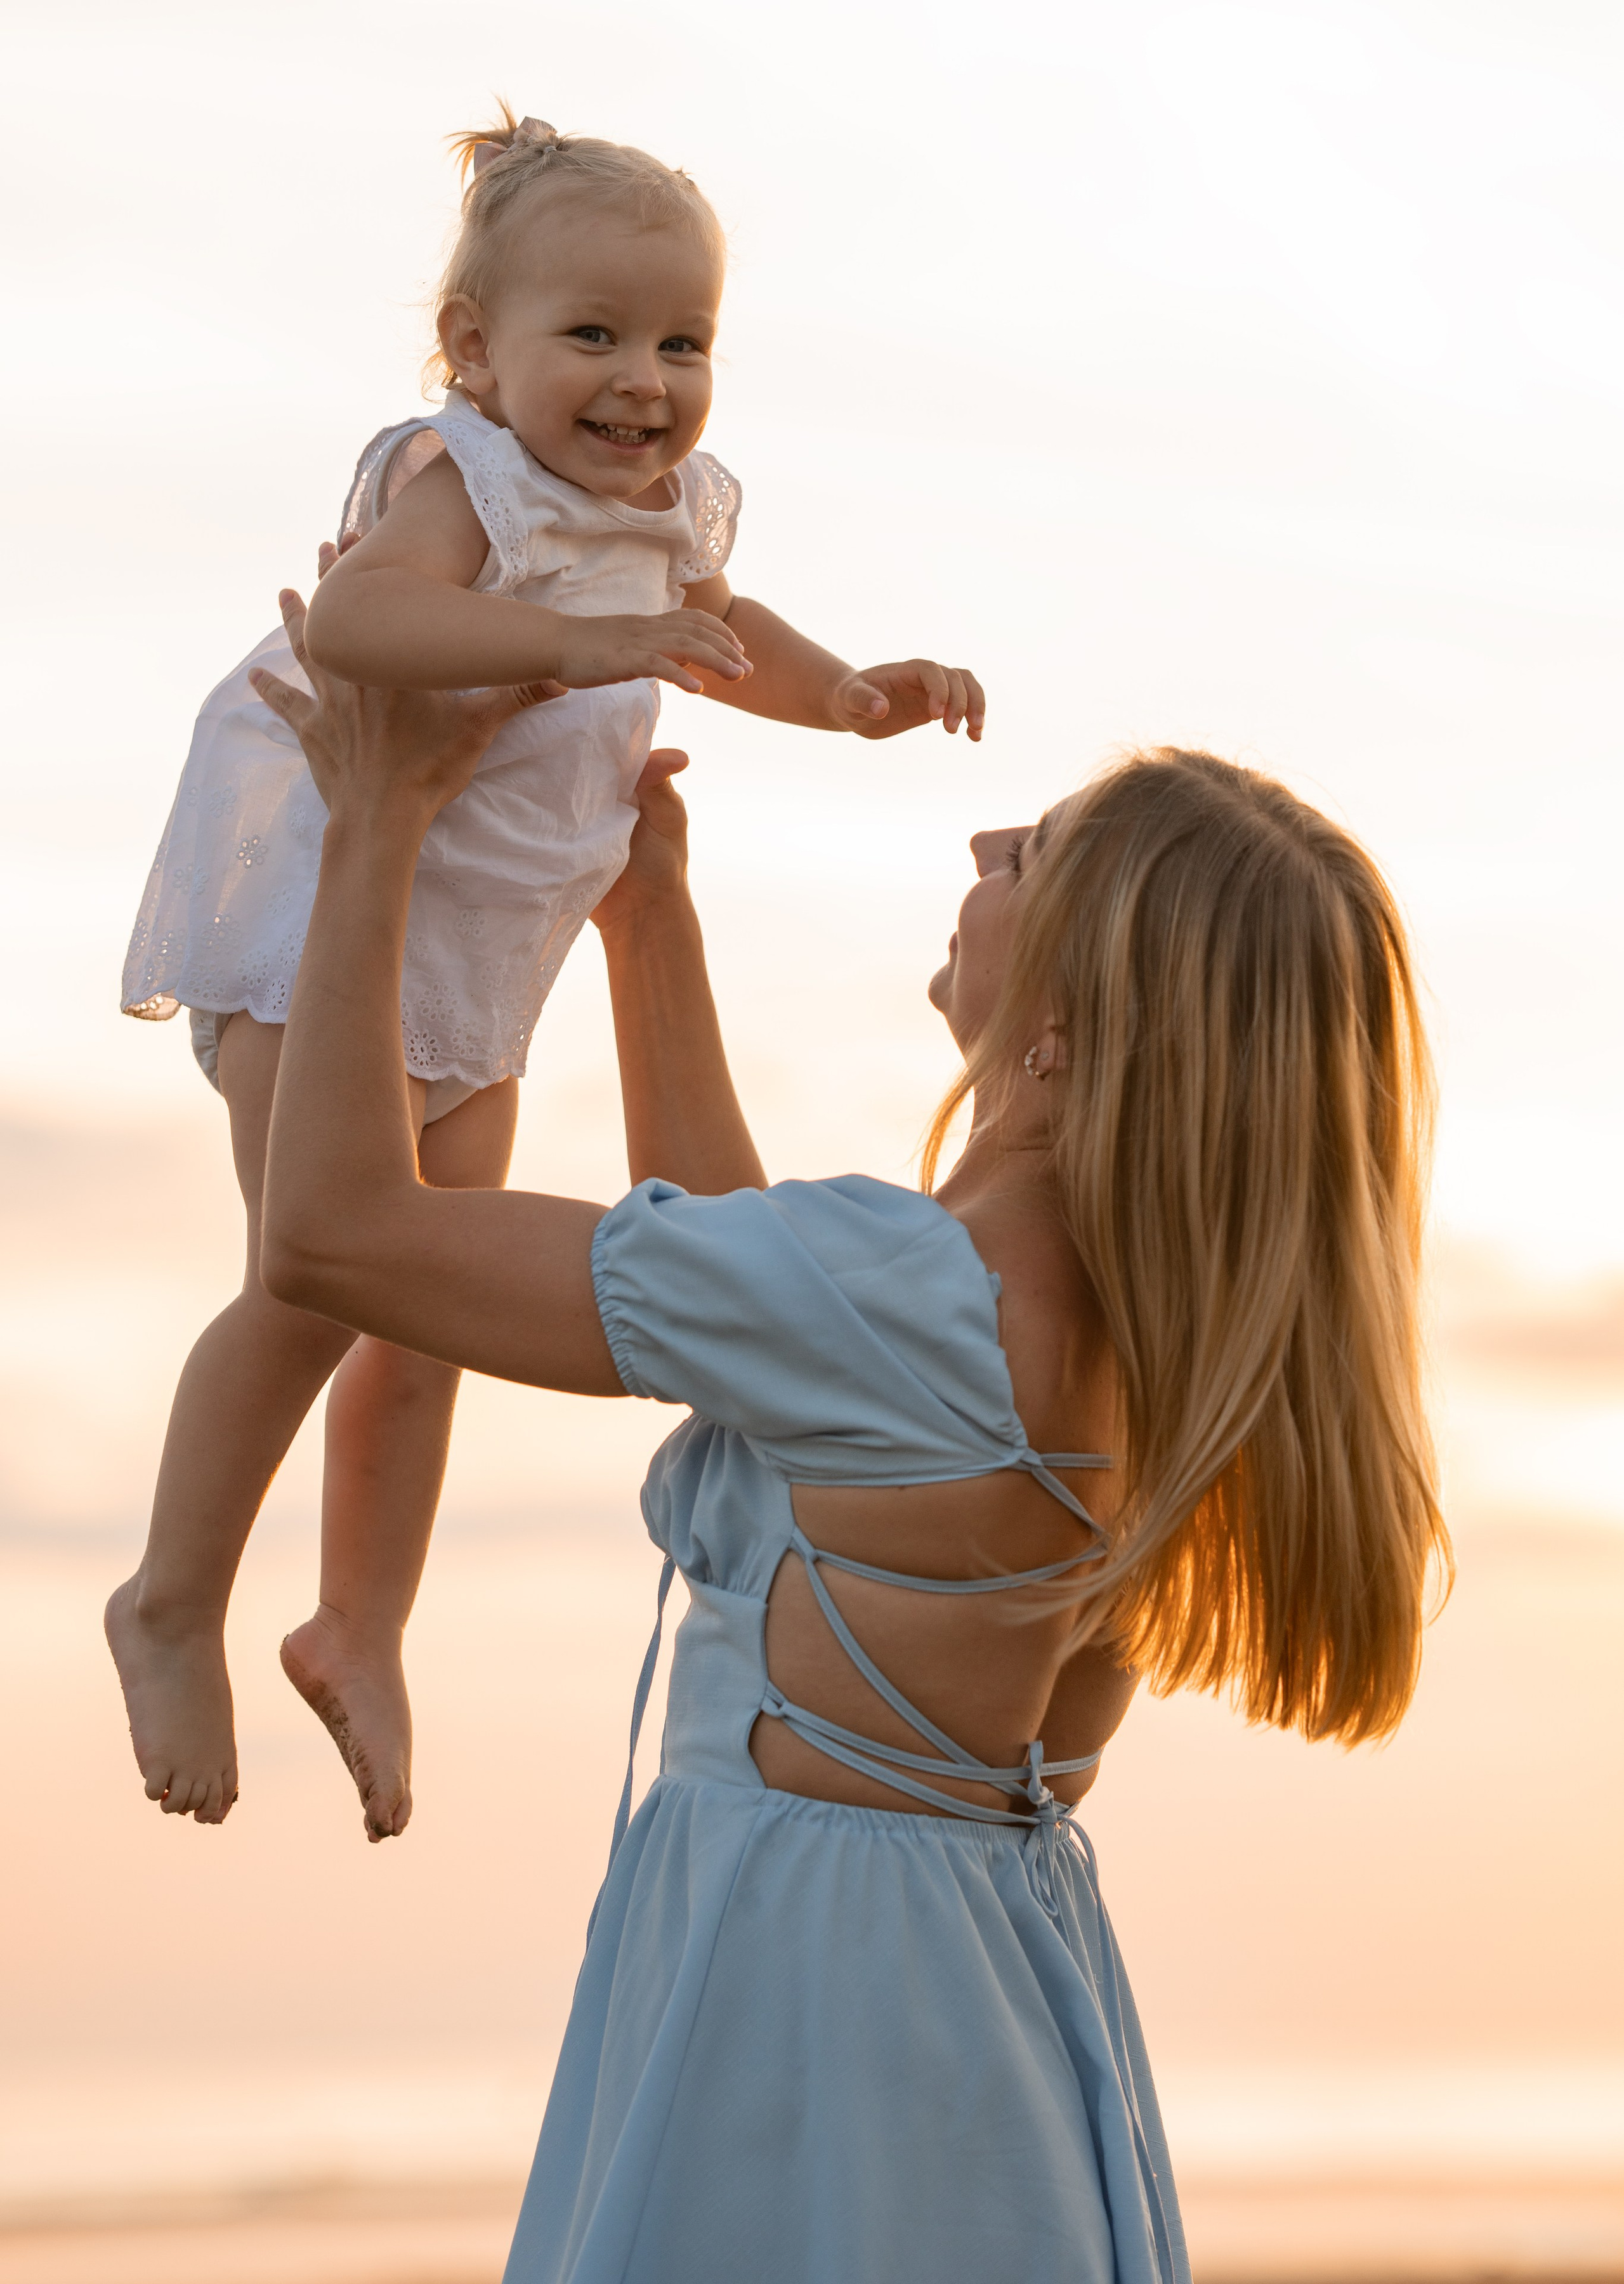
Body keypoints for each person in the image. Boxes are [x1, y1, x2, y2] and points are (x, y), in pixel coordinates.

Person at [242, 591, 1448, 2284]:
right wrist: (649, 924)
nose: (986, 829)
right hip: (984, 2017)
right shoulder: (1148, 1343)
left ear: (1071, 1025)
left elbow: (337, 1236)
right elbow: (763, 1321)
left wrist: (377, 818)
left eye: (1039, 853)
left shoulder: (907, 1294)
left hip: (800, 2020)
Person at [107, 110, 983, 1841]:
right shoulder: (463, 482)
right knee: (308, 1285)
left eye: (683, 341)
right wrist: (581, 643)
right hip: (325, 934)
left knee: (425, 1311)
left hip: (486, 956)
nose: (642, 380)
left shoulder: (662, 512)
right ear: (473, 354)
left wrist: (851, 698)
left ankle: (362, 1624)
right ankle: (170, 1598)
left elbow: (727, 633)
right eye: (592, 334)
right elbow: (359, 623)